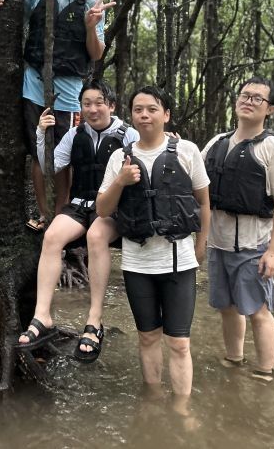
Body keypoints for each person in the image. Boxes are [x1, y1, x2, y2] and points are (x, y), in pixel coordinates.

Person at [0, 0, 116, 231]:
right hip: (33, 83)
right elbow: (10, 21)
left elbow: (95, 54)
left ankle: (61, 214)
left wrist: (90, 26)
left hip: (70, 91)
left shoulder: (94, 2)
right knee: (38, 149)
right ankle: (44, 214)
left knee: (62, 154)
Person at [96, 86, 211, 406]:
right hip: (138, 264)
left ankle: (181, 409)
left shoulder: (187, 151)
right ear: (131, 115)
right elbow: (103, 210)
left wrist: (201, 246)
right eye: (138, 110)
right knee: (147, 337)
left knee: (179, 343)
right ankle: (154, 398)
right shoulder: (120, 157)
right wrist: (120, 181)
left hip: (179, 261)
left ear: (166, 115)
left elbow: (204, 203)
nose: (144, 115)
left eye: (151, 109)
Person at [16, 79, 139, 362]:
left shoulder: (128, 135)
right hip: (80, 205)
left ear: (111, 105)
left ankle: (94, 322)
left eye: (99, 103)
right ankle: (42, 315)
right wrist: (40, 134)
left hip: (110, 210)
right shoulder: (75, 134)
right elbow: (50, 167)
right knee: (52, 236)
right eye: (86, 104)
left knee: (97, 237)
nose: (93, 109)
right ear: (80, 108)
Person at [201, 76, 274, 383]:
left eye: (257, 98)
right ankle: (234, 359)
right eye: (245, 95)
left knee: (258, 311)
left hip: (253, 246)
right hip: (218, 241)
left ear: (270, 109)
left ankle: (265, 372)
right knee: (227, 307)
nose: (249, 101)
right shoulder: (217, 143)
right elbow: (196, 179)